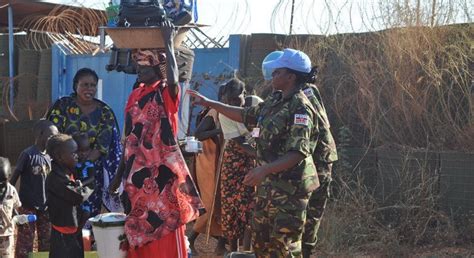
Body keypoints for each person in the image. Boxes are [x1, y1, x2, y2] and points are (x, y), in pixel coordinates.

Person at [187, 48, 320, 257]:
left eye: (278, 72)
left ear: (291, 76)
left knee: (284, 247)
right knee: (262, 243)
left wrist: (264, 169)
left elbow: (298, 152)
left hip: (290, 190)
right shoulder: (275, 101)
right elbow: (246, 115)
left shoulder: (300, 107)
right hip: (269, 186)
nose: (273, 75)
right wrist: (209, 102)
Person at [109, 20, 203, 258]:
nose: (140, 70)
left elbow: (173, 79)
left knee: (163, 227)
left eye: (145, 66)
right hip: (136, 179)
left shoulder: (166, 94)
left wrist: (168, 44)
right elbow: (129, 140)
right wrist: (118, 178)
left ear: (158, 67)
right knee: (138, 230)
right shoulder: (135, 96)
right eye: (138, 65)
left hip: (162, 178)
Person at [47, 67, 123, 217]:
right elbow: (53, 134)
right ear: (76, 86)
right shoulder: (63, 105)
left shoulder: (104, 111)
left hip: (91, 170)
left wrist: (83, 165)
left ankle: (88, 239)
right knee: (65, 211)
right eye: (85, 85)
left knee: (89, 212)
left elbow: (103, 145)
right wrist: (69, 164)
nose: (89, 89)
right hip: (63, 169)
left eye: (93, 85)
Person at [218, 78, 257, 253]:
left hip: (252, 162)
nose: (234, 103)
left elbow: (262, 128)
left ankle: (245, 252)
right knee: (230, 208)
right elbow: (242, 143)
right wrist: (266, 157)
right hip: (233, 164)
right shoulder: (224, 113)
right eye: (230, 100)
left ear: (245, 94)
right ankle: (234, 252)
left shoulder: (257, 105)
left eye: (237, 99)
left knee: (250, 206)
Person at [10, 119, 58, 258]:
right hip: (28, 206)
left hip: (46, 207)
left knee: (46, 240)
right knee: (25, 241)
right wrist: (12, 205)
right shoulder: (28, 154)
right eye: (51, 136)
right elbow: (13, 180)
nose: (53, 140)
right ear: (41, 134)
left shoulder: (51, 157)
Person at [188, 86, 226, 255]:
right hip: (208, 163)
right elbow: (198, 134)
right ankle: (191, 239)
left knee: (222, 203)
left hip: (220, 163)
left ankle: (221, 242)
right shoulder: (213, 113)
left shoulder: (226, 113)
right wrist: (221, 131)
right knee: (210, 202)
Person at [45, 134, 93, 258]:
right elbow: (79, 196)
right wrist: (89, 187)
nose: (77, 155)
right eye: (73, 153)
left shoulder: (67, 173)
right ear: (59, 156)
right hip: (62, 236)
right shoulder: (55, 178)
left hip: (72, 232)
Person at [72, 132, 96, 227]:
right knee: (78, 212)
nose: (83, 154)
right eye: (80, 151)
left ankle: (81, 230)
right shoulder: (74, 164)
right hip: (78, 192)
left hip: (87, 191)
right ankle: (78, 232)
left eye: (86, 150)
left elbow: (92, 178)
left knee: (87, 213)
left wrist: (82, 183)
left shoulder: (89, 164)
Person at [0, 157, 21, 258]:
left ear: (8, 176)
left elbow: (14, 207)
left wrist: (19, 219)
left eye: (3, 180)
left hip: (7, 235)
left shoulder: (11, 190)